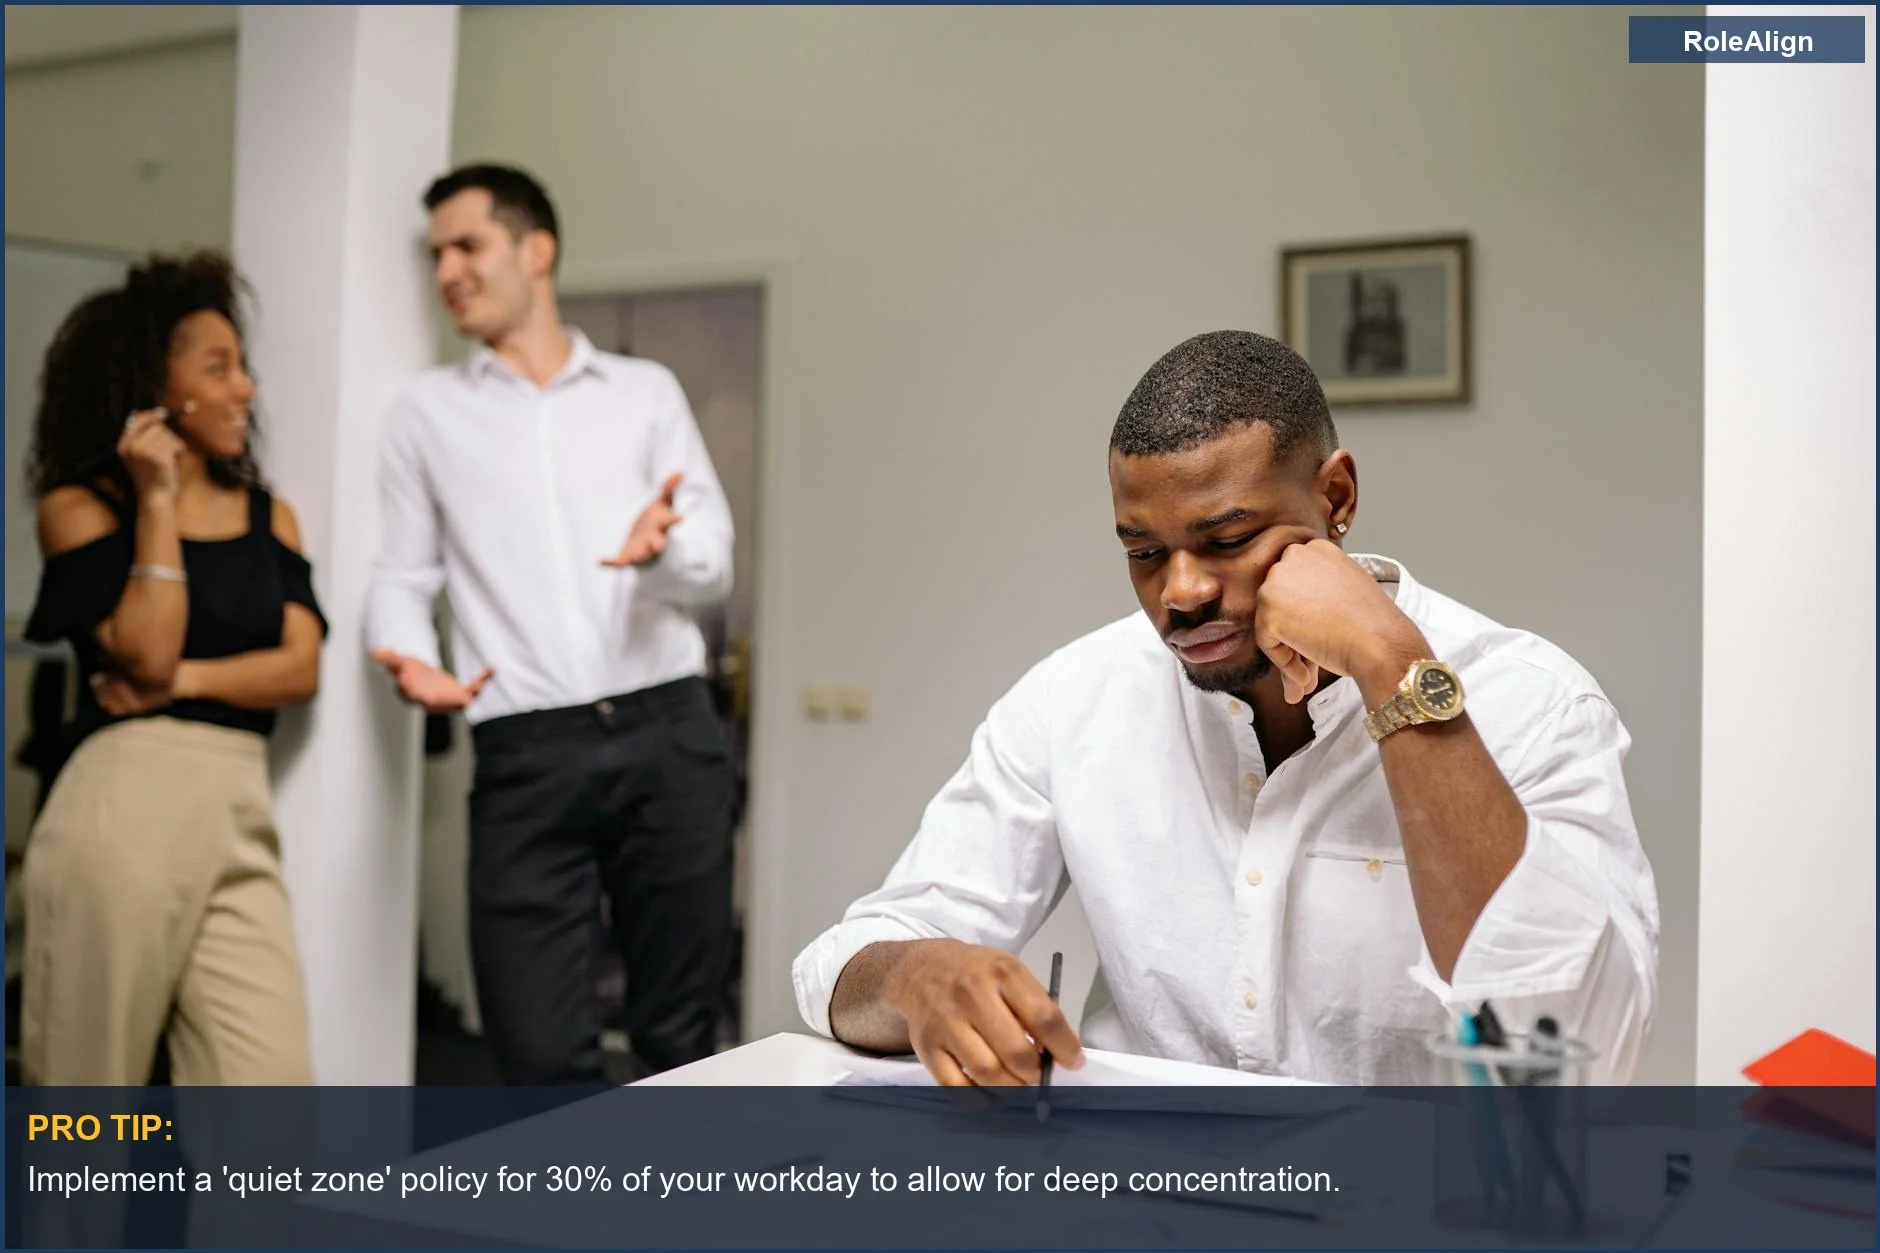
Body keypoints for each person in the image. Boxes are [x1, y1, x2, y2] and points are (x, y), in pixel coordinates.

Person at [794, 330, 1659, 1086]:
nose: (1181, 592)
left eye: (1229, 540)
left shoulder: (1531, 702)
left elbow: (1578, 1050)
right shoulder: (1075, 699)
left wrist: (1391, 667)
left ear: (1336, 499)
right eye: (1144, 551)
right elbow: (842, 962)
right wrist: (913, 975)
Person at [365, 164, 738, 1083]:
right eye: (436, 255)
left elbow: (713, 561)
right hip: (524, 753)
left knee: (680, 1031)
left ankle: (688, 1179)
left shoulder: (644, 392)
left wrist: (660, 550)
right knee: (534, 1048)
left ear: (537, 250)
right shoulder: (424, 414)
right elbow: (403, 575)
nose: (447, 272)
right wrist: (408, 654)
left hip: (667, 730)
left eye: (467, 246)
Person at [19, 252, 324, 1085]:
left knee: (272, 1098)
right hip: (122, 803)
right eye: (218, 367)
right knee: (85, 1105)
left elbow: (300, 667)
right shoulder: (84, 508)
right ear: (150, 384)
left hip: (238, 802)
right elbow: (147, 647)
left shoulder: (268, 517)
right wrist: (156, 498)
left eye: (243, 365)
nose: (245, 388)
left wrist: (181, 683)